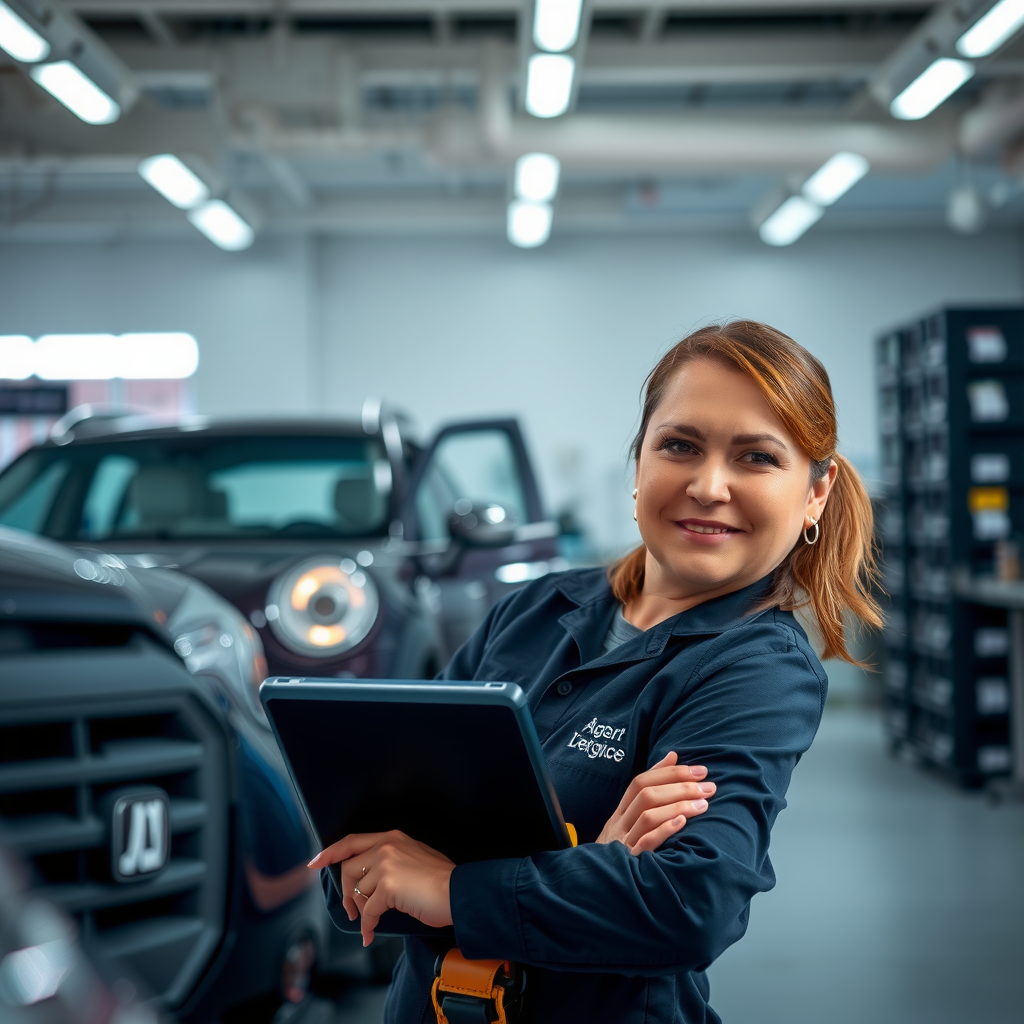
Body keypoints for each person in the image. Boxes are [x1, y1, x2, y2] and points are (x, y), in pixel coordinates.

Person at [309, 320, 881, 1023]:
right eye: (680, 445)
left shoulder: (757, 669)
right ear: (639, 462)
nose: (708, 485)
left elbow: (685, 905)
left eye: (756, 458)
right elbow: (362, 865)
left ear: (816, 493)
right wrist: (592, 864)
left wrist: (454, 888)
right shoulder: (531, 611)